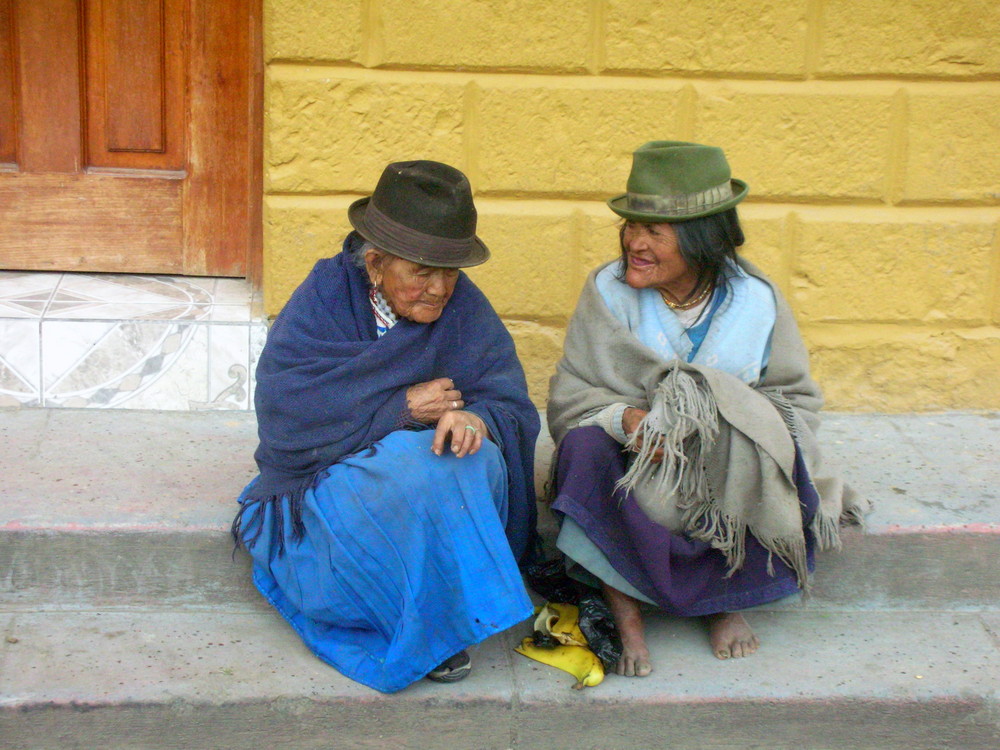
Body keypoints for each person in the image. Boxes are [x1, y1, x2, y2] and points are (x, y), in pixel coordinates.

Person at [547, 141, 865, 678]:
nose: (635, 243)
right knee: (582, 448)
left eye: (655, 232)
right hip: (635, 458)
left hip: (720, 468)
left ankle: (723, 599)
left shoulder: (755, 300)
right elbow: (573, 390)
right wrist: (625, 420)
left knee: (751, 448)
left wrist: (730, 422)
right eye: (630, 226)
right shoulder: (607, 292)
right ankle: (625, 613)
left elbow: (793, 397)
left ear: (702, 239)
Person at [233, 160, 539, 693]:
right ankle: (381, 607)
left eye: (451, 271)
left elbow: (509, 402)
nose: (440, 288)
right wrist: (398, 410)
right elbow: (287, 413)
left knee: (469, 457)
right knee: (409, 468)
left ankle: (436, 616)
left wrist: (476, 418)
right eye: (422, 272)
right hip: (330, 487)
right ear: (375, 264)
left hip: (419, 488)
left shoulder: (465, 309)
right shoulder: (325, 298)